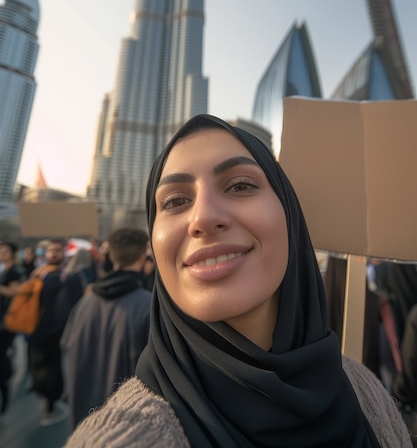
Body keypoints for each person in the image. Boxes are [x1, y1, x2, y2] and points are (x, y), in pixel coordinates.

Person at [64, 114, 412, 448]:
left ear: (290, 217)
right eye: (176, 201)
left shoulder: (365, 390)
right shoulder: (124, 436)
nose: (203, 217)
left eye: (241, 185)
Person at [60, 227, 152, 431]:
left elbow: (66, 348)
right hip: (125, 423)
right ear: (142, 255)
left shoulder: (85, 303)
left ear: (110, 255)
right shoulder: (149, 306)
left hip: (83, 416)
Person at [27, 239, 69, 425]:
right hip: (37, 329)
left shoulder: (68, 276)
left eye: (57, 250)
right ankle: (46, 397)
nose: (53, 254)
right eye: (50, 250)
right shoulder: (38, 275)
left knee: (54, 367)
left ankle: (50, 400)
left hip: (58, 332)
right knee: (41, 365)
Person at [0, 241, 25, 413]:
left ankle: (5, 381)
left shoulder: (15, 270)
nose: (2, 253)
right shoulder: (4, 270)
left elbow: (14, 292)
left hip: (7, 320)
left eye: (5, 251)